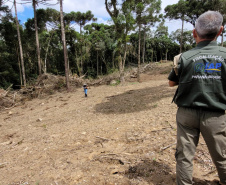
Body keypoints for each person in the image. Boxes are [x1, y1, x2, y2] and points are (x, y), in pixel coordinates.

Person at [168, 11, 226, 185]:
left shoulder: (183, 57)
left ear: (194, 33)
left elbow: (171, 83)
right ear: (220, 31)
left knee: (184, 156)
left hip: (186, 114)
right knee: (221, 155)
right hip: (215, 115)